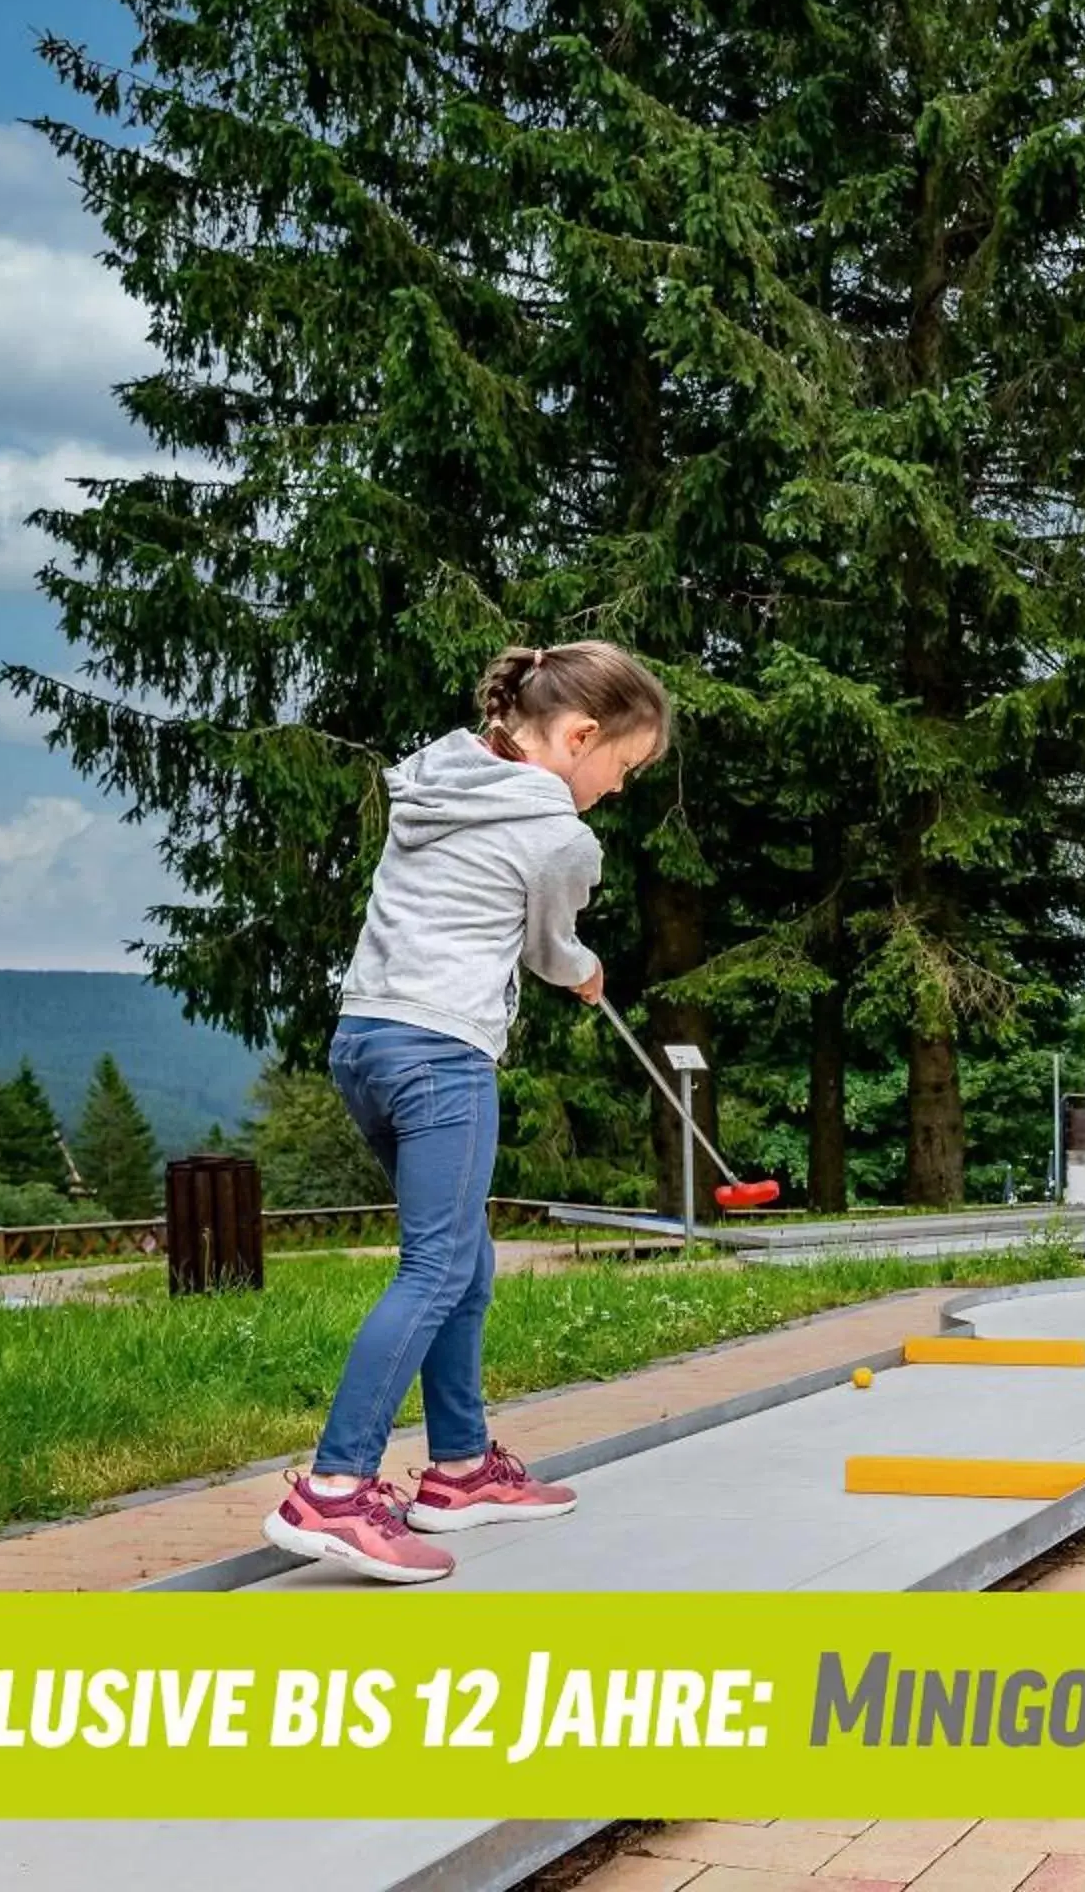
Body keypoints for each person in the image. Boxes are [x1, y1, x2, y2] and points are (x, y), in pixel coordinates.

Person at [263, 641, 672, 1582]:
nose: (617, 788)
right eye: (623, 767)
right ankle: (333, 1490)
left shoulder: (440, 778)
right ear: (579, 736)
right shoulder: (562, 838)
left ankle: (459, 1469)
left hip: (364, 1042)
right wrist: (582, 970)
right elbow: (547, 944)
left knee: (463, 1258)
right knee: (437, 1266)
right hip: (441, 1054)